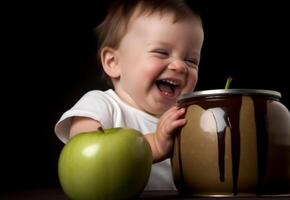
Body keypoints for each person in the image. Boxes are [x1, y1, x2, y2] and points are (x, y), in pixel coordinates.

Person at [54, 0, 204, 191]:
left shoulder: (186, 118)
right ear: (113, 62)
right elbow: (86, 156)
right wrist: (155, 145)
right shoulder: (101, 105)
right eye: (161, 52)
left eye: (191, 60)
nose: (180, 66)